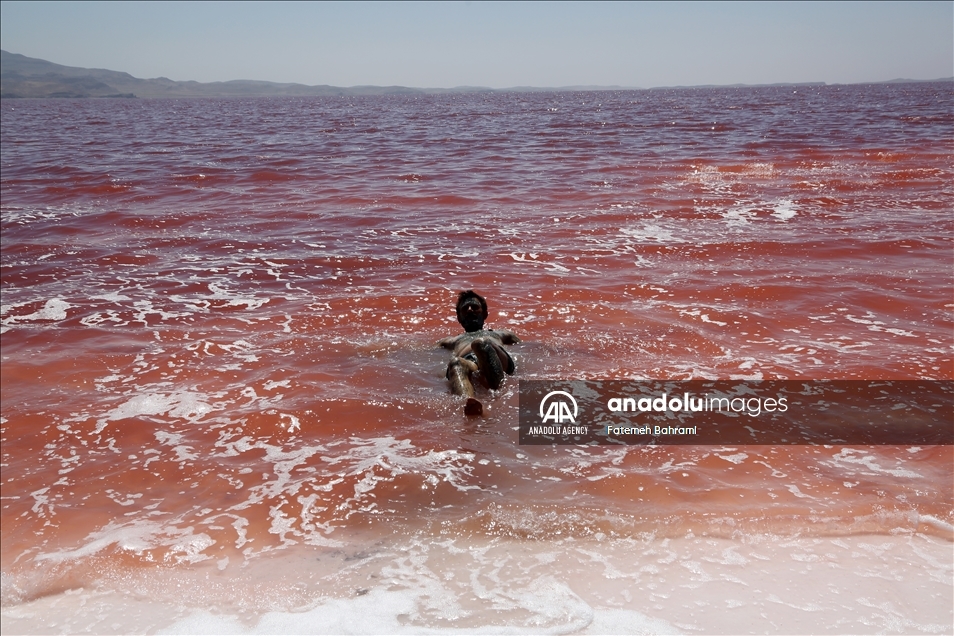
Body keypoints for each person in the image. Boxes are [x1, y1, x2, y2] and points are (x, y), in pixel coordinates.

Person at [439, 290, 520, 416]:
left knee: (481, 344)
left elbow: (527, 346)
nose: (470, 310)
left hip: (496, 356)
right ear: (459, 318)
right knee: (456, 362)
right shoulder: (451, 340)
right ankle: (470, 405)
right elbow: (423, 352)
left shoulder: (501, 333)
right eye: (465, 308)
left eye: (475, 307)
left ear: (485, 313)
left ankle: (497, 397)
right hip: (470, 361)